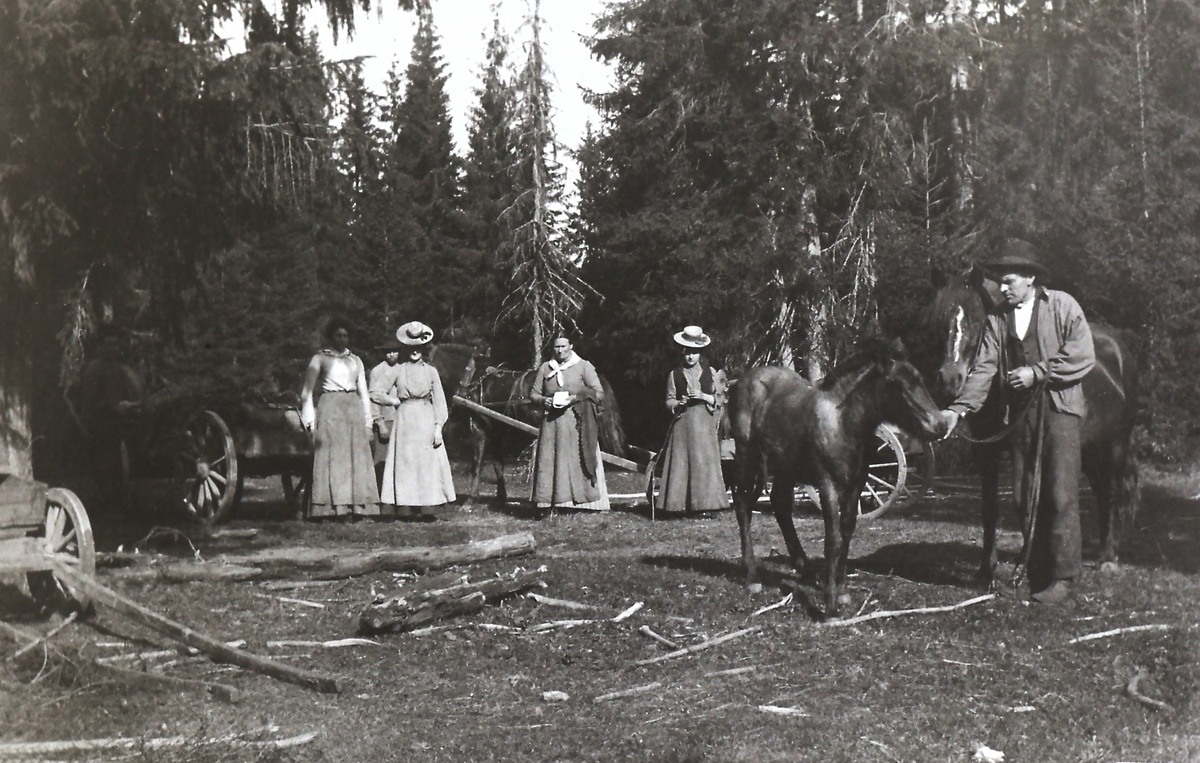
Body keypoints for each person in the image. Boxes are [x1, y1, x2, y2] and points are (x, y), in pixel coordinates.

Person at [941, 239, 1095, 604]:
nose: (1002, 288)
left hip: (1059, 413)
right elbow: (985, 368)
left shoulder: (1062, 306)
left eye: (1008, 281)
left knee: (1059, 496)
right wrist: (957, 409)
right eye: (1000, 282)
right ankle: (1037, 575)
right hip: (1020, 419)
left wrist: (1037, 372)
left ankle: (1064, 581)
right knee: (1025, 497)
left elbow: (1082, 354)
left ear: (1029, 277)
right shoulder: (997, 317)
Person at [370, 322, 456, 518]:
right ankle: (405, 507)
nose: (415, 352)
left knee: (426, 464)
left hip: (426, 419)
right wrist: (393, 401)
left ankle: (427, 507)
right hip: (405, 419)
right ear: (406, 349)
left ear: (423, 348)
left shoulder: (431, 371)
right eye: (411, 348)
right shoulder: (398, 370)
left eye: (419, 348)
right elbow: (375, 392)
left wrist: (438, 428)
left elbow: (440, 402)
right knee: (406, 463)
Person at [300, 317, 380, 520]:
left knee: (355, 458)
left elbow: (364, 392)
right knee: (334, 458)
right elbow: (307, 393)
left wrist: (368, 421)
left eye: (345, 335)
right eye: (338, 335)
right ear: (330, 337)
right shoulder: (320, 359)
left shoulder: (356, 360)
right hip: (331, 409)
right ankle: (331, 509)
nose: (342, 339)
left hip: (352, 409)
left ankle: (358, 507)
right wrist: (309, 422)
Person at [655, 326, 730, 515]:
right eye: (688, 353)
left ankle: (706, 505)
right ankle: (678, 505)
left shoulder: (711, 373)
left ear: (700, 353)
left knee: (704, 463)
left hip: (704, 425)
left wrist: (705, 396)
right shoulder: (674, 375)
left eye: (694, 353)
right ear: (683, 352)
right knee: (681, 463)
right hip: (683, 426)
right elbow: (668, 400)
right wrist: (677, 403)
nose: (690, 357)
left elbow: (720, 399)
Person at [529, 334, 608, 511]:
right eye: (557, 347)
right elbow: (533, 393)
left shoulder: (583, 366)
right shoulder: (545, 368)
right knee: (552, 459)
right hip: (552, 424)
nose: (560, 350)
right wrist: (543, 400)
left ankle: (585, 500)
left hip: (576, 422)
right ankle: (552, 501)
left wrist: (577, 397)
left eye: (564, 346)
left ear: (571, 346)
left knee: (576, 459)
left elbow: (599, 393)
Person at [368, 335, 405, 480]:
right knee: (381, 459)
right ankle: (378, 495)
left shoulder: (403, 369)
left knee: (399, 460)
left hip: (400, 419)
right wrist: (380, 423)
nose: (391, 354)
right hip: (386, 420)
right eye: (388, 351)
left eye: (395, 351)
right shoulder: (377, 371)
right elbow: (373, 398)